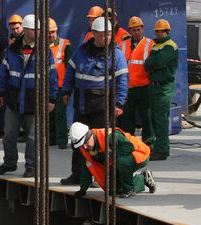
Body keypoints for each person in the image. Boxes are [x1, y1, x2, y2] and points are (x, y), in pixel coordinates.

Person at [60, 16, 129, 185]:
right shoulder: (81, 51)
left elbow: (122, 80)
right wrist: (66, 90)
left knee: (101, 143)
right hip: (82, 104)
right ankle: (77, 175)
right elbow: (70, 71)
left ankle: (101, 176)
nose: (107, 38)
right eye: (103, 35)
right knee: (78, 141)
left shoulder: (116, 55)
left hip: (103, 106)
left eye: (109, 35)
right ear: (94, 34)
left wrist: (119, 103)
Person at [0, 14, 58, 177]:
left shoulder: (44, 51)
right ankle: (9, 163)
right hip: (14, 99)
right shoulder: (12, 50)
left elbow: (52, 77)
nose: (38, 32)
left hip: (34, 100)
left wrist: (51, 98)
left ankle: (31, 166)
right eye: (35, 29)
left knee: (32, 137)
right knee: (9, 134)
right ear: (27, 30)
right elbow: (3, 73)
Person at [69, 122, 156, 198]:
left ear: (90, 135)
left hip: (139, 152)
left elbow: (129, 147)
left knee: (122, 162)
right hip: (116, 161)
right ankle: (143, 178)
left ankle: (130, 189)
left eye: (85, 143)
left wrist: (110, 154)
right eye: (81, 145)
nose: (84, 147)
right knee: (112, 190)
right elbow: (87, 166)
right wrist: (83, 189)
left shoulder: (109, 136)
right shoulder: (85, 148)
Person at [144, 19, 178, 161]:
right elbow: (147, 64)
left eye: (161, 31)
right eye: (156, 31)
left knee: (160, 119)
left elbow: (157, 62)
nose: (158, 33)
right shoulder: (156, 46)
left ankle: (162, 150)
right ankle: (158, 147)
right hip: (154, 86)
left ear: (167, 31)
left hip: (164, 87)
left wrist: (153, 63)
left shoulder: (170, 46)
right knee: (154, 118)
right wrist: (152, 63)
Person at [119, 16, 155, 144]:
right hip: (128, 88)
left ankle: (149, 142)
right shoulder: (122, 45)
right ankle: (127, 142)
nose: (136, 32)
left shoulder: (150, 44)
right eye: (133, 30)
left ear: (143, 29)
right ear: (129, 31)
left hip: (144, 87)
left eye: (138, 29)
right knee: (127, 117)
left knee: (147, 117)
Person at [49, 17, 72, 149]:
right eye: (48, 32)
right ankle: (51, 139)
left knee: (60, 114)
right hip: (47, 86)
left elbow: (69, 67)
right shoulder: (40, 46)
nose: (51, 35)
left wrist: (68, 88)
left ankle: (62, 141)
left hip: (61, 85)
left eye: (53, 32)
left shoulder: (65, 45)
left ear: (56, 31)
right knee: (49, 115)